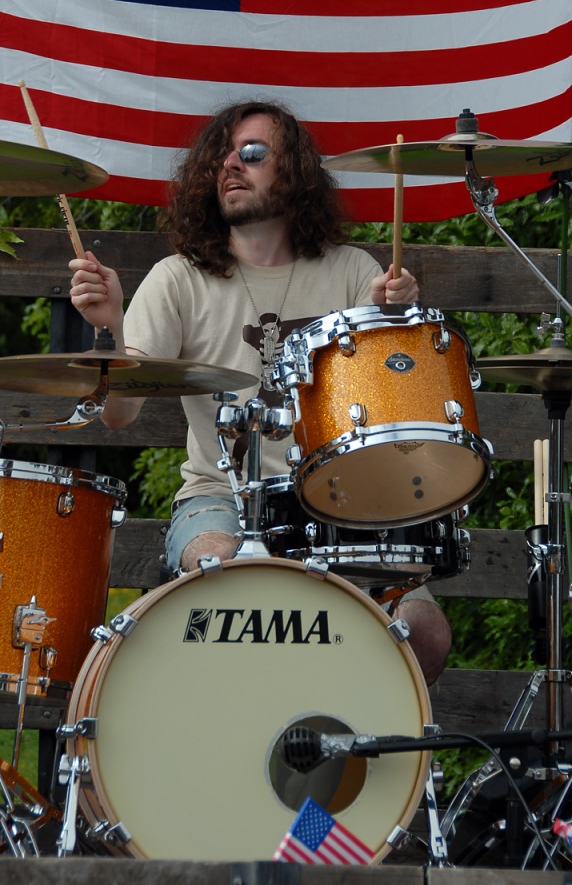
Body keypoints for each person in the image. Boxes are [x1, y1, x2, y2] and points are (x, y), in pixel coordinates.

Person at [69, 100, 452, 684]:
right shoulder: (178, 278)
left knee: (424, 631)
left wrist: (388, 320)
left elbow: (389, 408)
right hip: (219, 498)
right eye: (221, 156)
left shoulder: (354, 271)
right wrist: (110, 328)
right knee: (223, 573)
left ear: (293, 171)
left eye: (250, 153)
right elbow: (118, 416)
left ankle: (341, 736)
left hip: (341, 503)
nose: (230, 165)